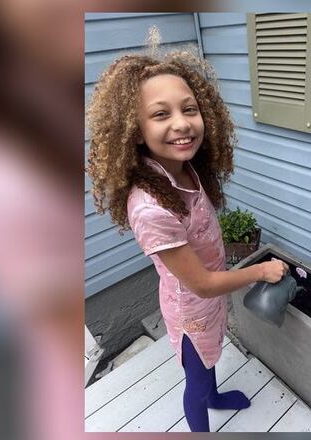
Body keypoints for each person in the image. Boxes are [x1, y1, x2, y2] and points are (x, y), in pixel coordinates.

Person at [86, 45, 289, 432]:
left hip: (209, 301)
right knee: (195, 379)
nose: (181, 123)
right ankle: (203, 410)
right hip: (192, 309)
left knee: (210, 357)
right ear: (136, 130)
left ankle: (215, 397)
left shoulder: (184, 171)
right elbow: (202, 283)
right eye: (161, 114)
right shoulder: (150, 209)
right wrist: (260, 271)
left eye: (189, 109)